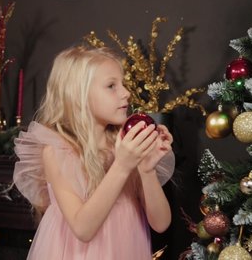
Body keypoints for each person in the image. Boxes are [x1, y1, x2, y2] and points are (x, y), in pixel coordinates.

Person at [13, 45, 175, 259]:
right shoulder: (58, 152)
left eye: (123, 84)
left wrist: (147, 170)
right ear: (78, 95)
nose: (126, 93)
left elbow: (161, 223)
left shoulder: (123, 145)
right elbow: (83, 229)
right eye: (111, 86)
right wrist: (122, 165)